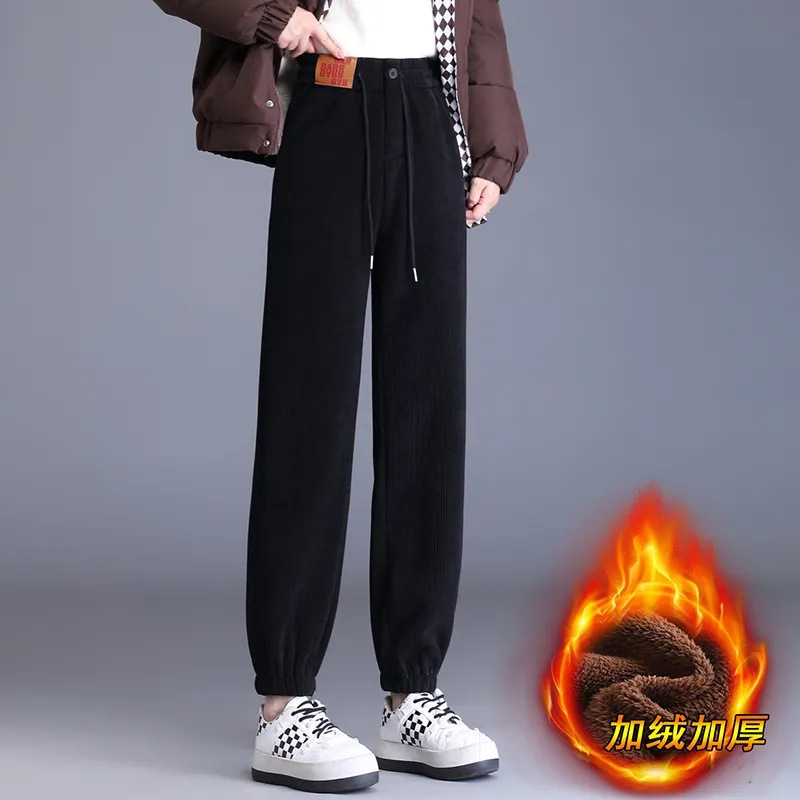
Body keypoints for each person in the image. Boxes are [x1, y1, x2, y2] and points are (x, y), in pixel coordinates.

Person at [152, 0, 527, 793]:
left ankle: (412, 696)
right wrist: (269, 15)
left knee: (428, 412)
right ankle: (284, 706)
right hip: (330, 94)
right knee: (308, 407)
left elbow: (480, 18)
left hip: (432, 108)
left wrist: (494, 149)